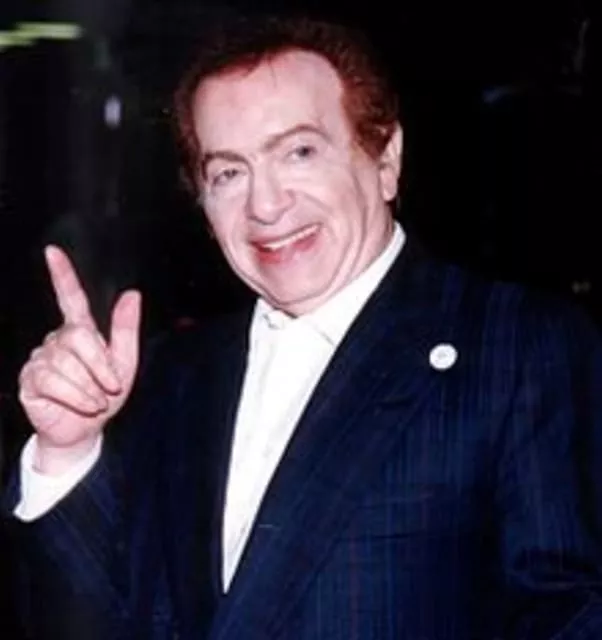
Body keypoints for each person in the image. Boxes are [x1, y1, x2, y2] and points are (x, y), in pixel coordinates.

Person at [4, 12, 602, 640]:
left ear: (386, 158)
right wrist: (67, 454)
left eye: (299, 152)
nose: (265, 205)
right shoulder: (172, 374)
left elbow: (569, 616)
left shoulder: (517, 347)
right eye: (228, 172)